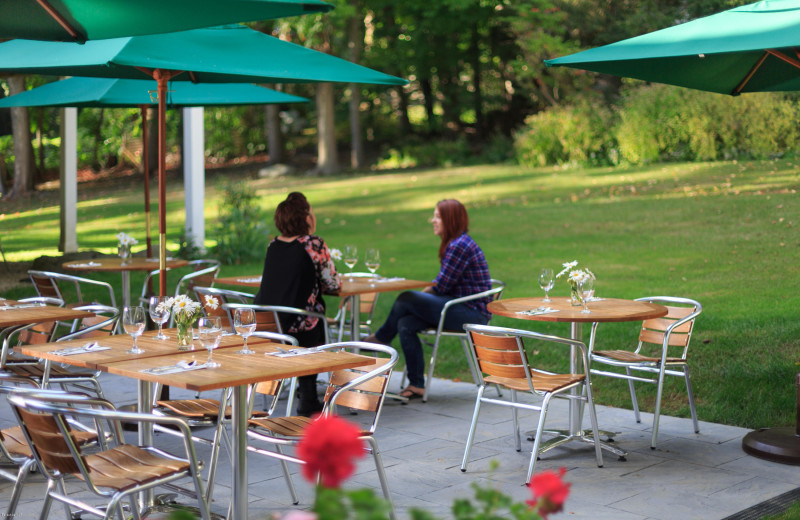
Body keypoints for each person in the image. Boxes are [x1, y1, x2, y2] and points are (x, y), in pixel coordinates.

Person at [367, 199, 492, 399]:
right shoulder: (457, 243)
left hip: (471, 314)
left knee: (406, 298)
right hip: (458, 306)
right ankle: (417, 384)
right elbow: (443, 286)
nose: (432, 220)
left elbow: (441, 286)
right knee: (405, 323)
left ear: (449, 220)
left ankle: (382, 337)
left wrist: (415, 300)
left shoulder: (459, 245)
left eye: (437, 216)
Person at [254, 192, 341, 416]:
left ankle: (305, 393)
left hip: (271, 321)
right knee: (313, 315)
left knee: (308, 314)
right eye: (311, 212)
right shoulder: (313, 243)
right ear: (305, 217)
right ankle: (308, 396)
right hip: (298, 322)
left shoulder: (273, 245)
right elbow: (331, 283)